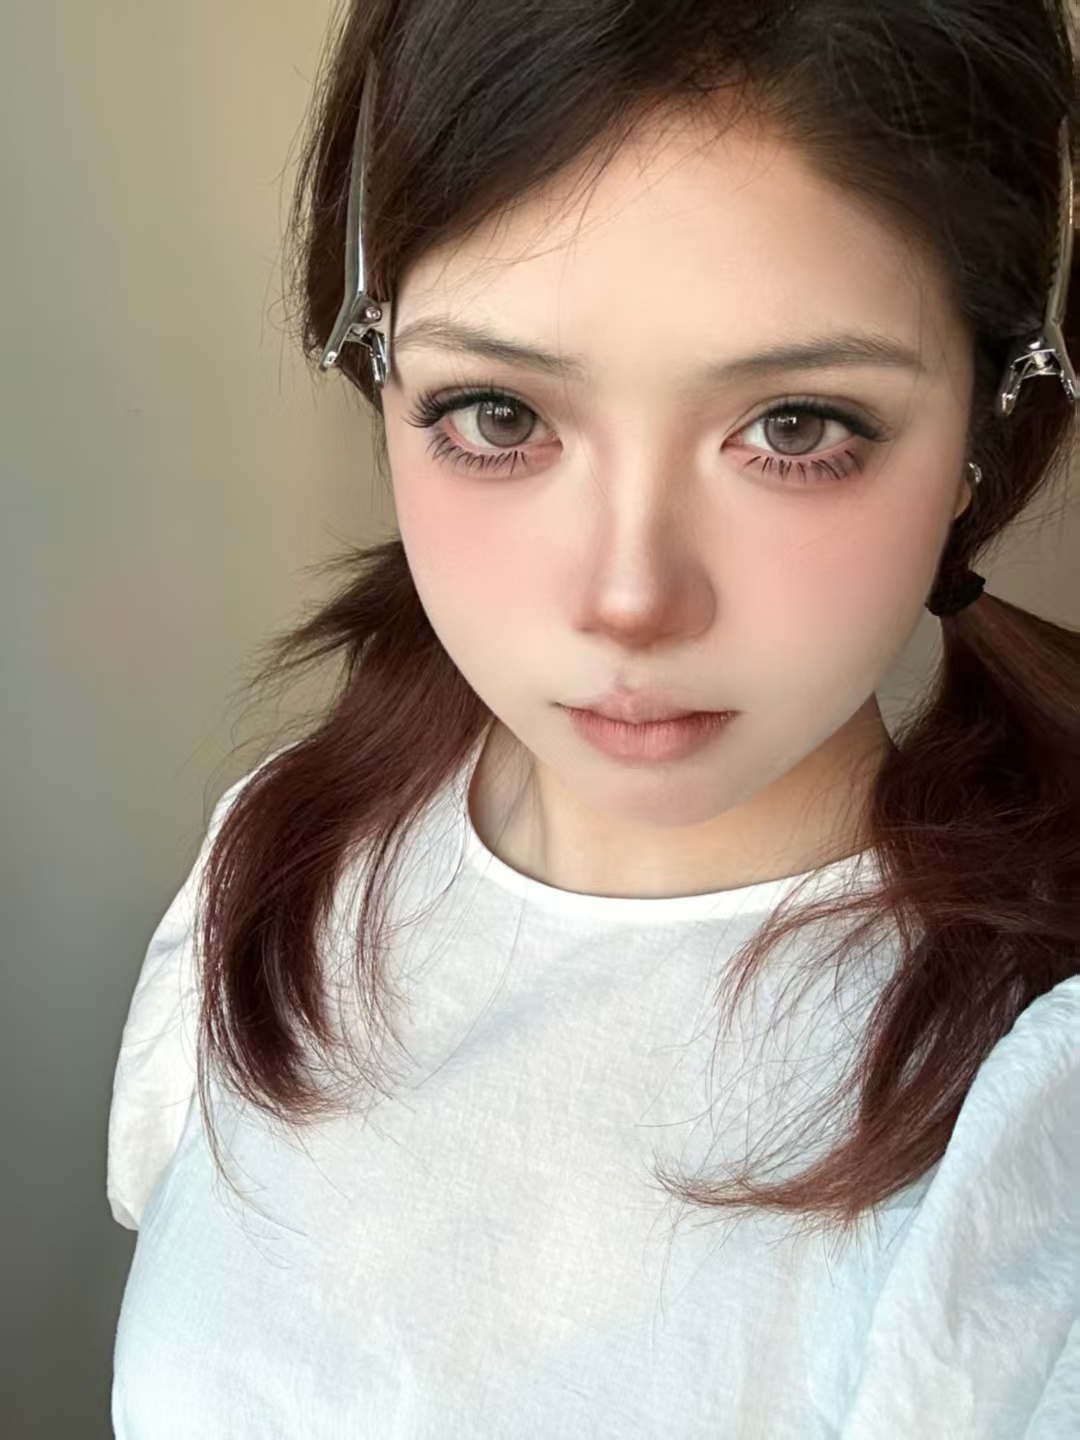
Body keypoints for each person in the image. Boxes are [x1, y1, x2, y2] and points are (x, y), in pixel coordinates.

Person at [107, 2, 1080, 1435]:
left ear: (988, 423)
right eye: (500, 415)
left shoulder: (1031, 1121)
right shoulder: (277, 865)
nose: (630, 598)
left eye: (797, 426)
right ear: (381, 371)